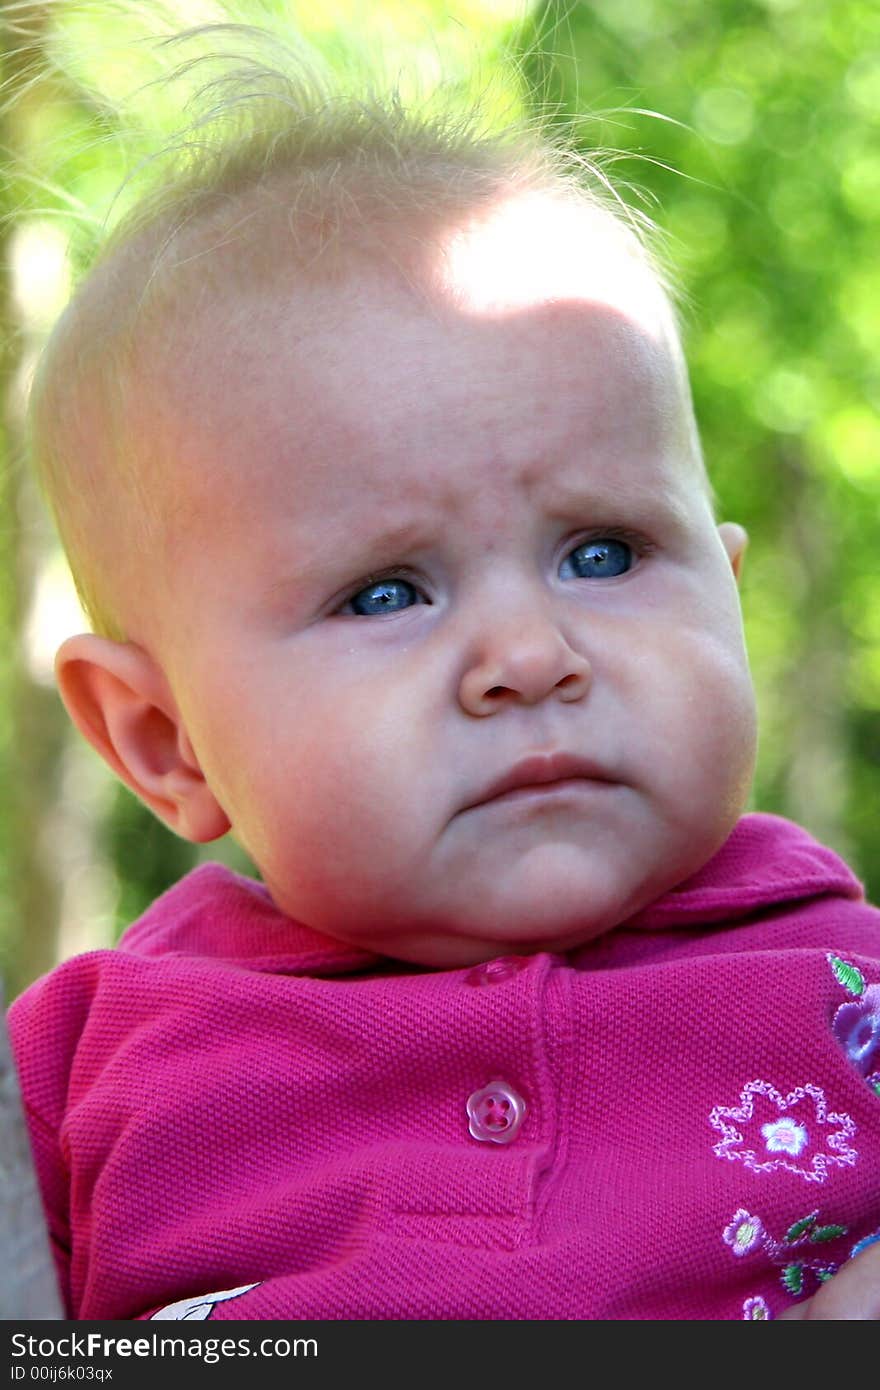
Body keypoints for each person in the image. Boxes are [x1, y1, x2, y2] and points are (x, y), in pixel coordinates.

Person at [6, 34, 880, 1321]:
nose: (530, 656)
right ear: (163, 739)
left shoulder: (844, 984)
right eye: (385, 592)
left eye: (603, 552)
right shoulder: (80, 1073)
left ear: (727, 596)